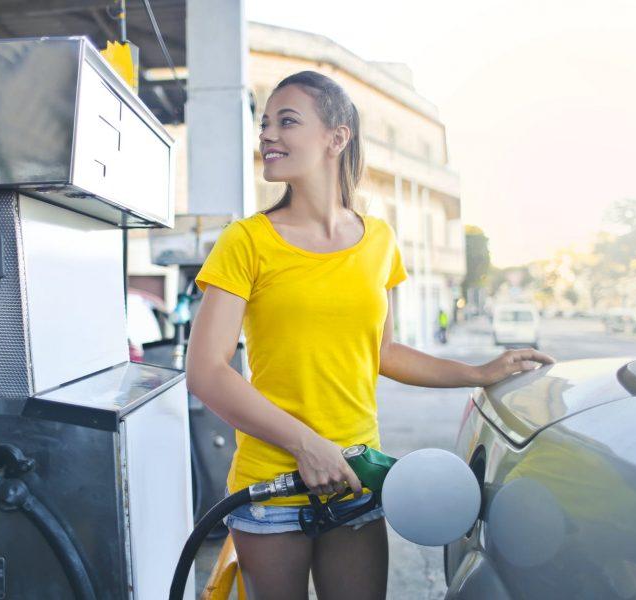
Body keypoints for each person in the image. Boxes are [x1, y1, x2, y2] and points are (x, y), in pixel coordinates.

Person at [186, 71, 554, 600]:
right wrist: (305, 444)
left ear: (337, 137)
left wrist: (478, 373)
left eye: (286, 121)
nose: (267, 135)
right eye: (264, 124)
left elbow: (383, 352)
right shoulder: (245, 241)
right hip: (270, 492)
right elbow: (206, 370)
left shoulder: (378, 241)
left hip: (356, 482)